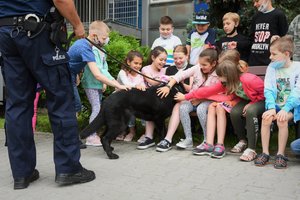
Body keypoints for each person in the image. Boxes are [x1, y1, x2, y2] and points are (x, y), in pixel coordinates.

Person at [0, 0, 95, 189]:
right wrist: (77, 25)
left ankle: (22, 173)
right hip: (37, 32)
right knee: (61, 99)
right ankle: (69, 169)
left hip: (6, 33)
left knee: (18, 104)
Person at [175, 59, 265, 159]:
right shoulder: (226, 83)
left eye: (220, 76)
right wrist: (187, 96)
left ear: (229, 75)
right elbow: (207, 91)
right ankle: (242, 141)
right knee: (234, 112)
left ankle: (251, 149)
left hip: (260, 100)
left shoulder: (249, 80)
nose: (219, 78)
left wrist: (253, 103)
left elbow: (264, 93)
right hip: (245, 101)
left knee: (251, 111)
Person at [157, 48, 219, 151]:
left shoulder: (217, 74)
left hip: (207, 100)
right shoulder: (198, 68)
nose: (201, 67)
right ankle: (188, 139)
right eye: (200, 64)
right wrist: (168, 86)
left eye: (204, 65)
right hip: (193, 98)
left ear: (213, 63)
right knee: (183, 107)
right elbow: (181, 75)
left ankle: (207, 140)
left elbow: (214, 92)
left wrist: (200, 99)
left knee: (201, 109)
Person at [254, 36, 300, 169]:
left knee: (282, 120)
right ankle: (265, 153)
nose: (270, 57)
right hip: (276, 106)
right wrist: (270, 107)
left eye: (274, 54)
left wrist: (286, 109)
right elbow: (268, 89)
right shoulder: (272, 67)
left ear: (287, 54)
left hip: (292, 108)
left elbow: (297, 92)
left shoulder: (298, 68)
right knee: (266, 118)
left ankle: (280, 154)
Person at [67, 20, 128, 114]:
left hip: (68, 74)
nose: (105, 42)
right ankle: (71, 129)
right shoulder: (86, 49)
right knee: (75, 106)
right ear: (94, 35)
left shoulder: (83, 44)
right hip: (64, 75)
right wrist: (118, 85)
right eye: (103, 39)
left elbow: (72, 59)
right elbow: (97, 75)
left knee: (73, 106)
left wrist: (76, 73)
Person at [149, 45, 192, 152]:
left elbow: (191, 89)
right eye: (175, 58)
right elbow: (165, 87)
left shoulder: (191, 68)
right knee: (154, 105)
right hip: (171, 99)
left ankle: (167, 139)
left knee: (178, 105)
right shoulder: (170, 69)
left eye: (180, 58)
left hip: (186, 98)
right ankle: (150, 136)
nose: (178, 61)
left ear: (187, 56)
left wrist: (181, 80)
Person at [80, 40, 118, 146]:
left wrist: (104, 82)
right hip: (90, 83)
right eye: (105, 36)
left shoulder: (103, 51)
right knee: (96, 108)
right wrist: (113, 82)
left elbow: (104, 68)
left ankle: (93, 134)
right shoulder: (93, 50)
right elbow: (99, 69)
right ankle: (90, 137)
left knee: (99, 108)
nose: (107, 39)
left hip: (98, 84)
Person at [137, 46, 168, 149]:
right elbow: (152, 82)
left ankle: (162, 136)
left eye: (165, 60)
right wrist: (164, 78)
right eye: (161, 59)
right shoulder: (146, 69)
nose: (163, 62)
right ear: (153, 57)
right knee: (151, 108)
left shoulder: (164, 70)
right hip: (149, 98)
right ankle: (149, 137)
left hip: (161, 99)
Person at [116, 50, 146, 142]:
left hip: (133, 98)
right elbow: (127, 84)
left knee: (143, 107)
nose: (138, 66)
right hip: (119, 98)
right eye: (135, 63)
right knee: (128, 108)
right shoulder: (123, 72)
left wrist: (141, 87)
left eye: (140, 64)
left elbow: (143, 86)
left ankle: (146, 133)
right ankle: (130, 131)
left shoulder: (140, 74)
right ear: (128, 62)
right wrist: (137, 86)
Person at [248, 0, 288, 66]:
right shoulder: (255, 16)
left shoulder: (279, 15)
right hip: (254, 61)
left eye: (257, 1)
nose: (255, 4)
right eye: (254, 2)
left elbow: (284, 38)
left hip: (271, 61)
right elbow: (251, 37)